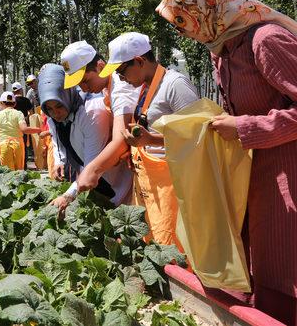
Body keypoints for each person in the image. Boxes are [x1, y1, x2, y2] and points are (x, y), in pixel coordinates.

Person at [156, 0, 297, 325]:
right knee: (257, 269)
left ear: (208, 6)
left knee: (285, 270)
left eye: (184, 20)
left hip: (287, 177)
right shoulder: (221, 50)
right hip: (250, 179)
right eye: (178, 24)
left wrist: (247, 127)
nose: (183, 31)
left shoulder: (265, 41)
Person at [101, 32, 199, 247]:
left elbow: (198, 136)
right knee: (153, 241)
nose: (119, 78)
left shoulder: (175, 85)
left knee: (172, 245)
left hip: (173, 186)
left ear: (139, 61)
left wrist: (151, 141)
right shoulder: (144, 87)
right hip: (150, 185)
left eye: (121, 71)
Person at [51, 41, 137, 214]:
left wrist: (89, 172)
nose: (83, 88)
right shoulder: (107, 89)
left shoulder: (120, 89)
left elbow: (120, 140)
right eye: (79, 84)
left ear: (100, 66)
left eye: (85, 81)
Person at [40, 64, 131, 206]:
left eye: (59, 106)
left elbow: (92, 165)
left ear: (68, 95)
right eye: (49, 109)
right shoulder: (54, 119)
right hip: (94, 180)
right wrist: (60, 160)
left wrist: (68, 196)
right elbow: (56, 137)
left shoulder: (91, 114)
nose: (55, 113)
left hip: (113, 180)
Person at [0, 92, 42, 170]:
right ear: (15, 104)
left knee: (7, 173)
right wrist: (39, 129)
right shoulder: (19, 114)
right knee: (19, 172)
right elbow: (24, 129)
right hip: (18, 145)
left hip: (4, 146)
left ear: (1, 103)